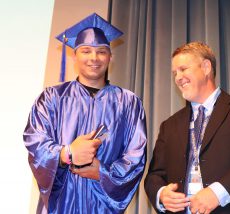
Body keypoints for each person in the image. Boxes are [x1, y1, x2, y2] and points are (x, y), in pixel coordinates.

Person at [23, 13, 147, 214]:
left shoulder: (128, 103)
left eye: (101, 52)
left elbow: (135, 156)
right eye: (86, 51)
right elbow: (35, 141)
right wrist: (67, 153)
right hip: (60, 204)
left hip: (103, 205)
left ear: (110, 57)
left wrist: (103, 172)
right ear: (74, 55)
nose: (94, 58)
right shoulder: (52, 98)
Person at [144, 42, 230, 214]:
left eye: (183, 69)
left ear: (206, 67)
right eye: (175, 73)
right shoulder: (169, 125)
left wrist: (218, 192)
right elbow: (154, 175)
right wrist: (162, 195)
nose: (178, 77)